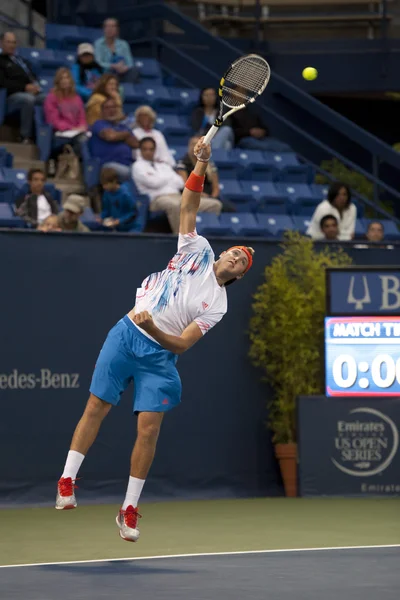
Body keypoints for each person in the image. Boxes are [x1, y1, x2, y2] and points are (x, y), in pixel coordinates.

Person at [55, 136, 255, 544]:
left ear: (239, 276)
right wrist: (199, 165)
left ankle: (128, 509)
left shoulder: (218, 305)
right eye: (235, 251)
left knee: (148, 430)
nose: (235, 256)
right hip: (126, 333)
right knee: (96, 406)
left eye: (243, 261)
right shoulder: (197, 247)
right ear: (223, 253)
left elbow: (181, 345)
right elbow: (188, 205)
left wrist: (154, 331)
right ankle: (66, 481)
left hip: (159, 355)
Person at [133, 137, 222, 234]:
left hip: (177, 196)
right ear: (140, 150)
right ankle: (182, 239)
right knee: (174, 206)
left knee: (215, 205)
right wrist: (168, 178)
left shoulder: (162, 165)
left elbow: (179, 182)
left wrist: (162, 178)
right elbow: (153, 183)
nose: (148, 152)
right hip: (158, 199)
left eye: (151, 149)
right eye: (145, 149)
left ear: (155, 150)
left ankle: (205, 236)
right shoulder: (138, 166)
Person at [0, 31, 46, 143]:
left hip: (29, 92)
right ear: (1, 43)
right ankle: (24, 136)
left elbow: (31, 77)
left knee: (48, 98)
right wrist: (24, 87)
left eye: (14, 42)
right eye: (9, 42)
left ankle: (45, 135)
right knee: (28, 99)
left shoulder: (21, 61)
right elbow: (2, 83)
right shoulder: (0, 61)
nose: (12, 45)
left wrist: (35, 86)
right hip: (9, 97)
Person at [90, 97, 138, 181]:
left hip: (128, 164)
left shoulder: (123, 127)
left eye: (114, 107)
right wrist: (126, 135)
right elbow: (110, 137)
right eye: (107, 108)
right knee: (137, 175)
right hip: (109, 166)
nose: (111, 110)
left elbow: (135, 144)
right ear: (102, 112)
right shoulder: (99, 124)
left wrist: (119, 135)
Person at [43, 67, 87, 157]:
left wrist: (82, 127)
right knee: (82, 141)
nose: (65, 80)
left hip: (76, 132)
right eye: (62, 78)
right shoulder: (52, 97)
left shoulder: (77, 98)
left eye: (67, 78)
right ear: (57, 81)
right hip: (60, 133)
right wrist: (72, 128)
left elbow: (82, 117)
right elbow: (53, 121)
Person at [94, 18, 138, 84]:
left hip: (122, 72)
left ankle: (128, 90)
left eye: (113, 26)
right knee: (109, 73)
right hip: (107, 72)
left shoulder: (123, 44)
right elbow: (98, 63)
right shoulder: (98, 44)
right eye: (107, 26)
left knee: (134, 70)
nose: (110, 29)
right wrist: (113, 66)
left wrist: (124, 68)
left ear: (117, 29)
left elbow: (130, 62)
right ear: (103, 29)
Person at [100, 167, 139, 232]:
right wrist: (101, 217)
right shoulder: (106, 193)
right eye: (103, 184)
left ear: (114, 181)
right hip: (117, 227)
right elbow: (106, 209)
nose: (104, 187)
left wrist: (120, 221)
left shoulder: (126, 194)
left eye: (106, 184)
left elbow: (134, 213)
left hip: (131, 227)